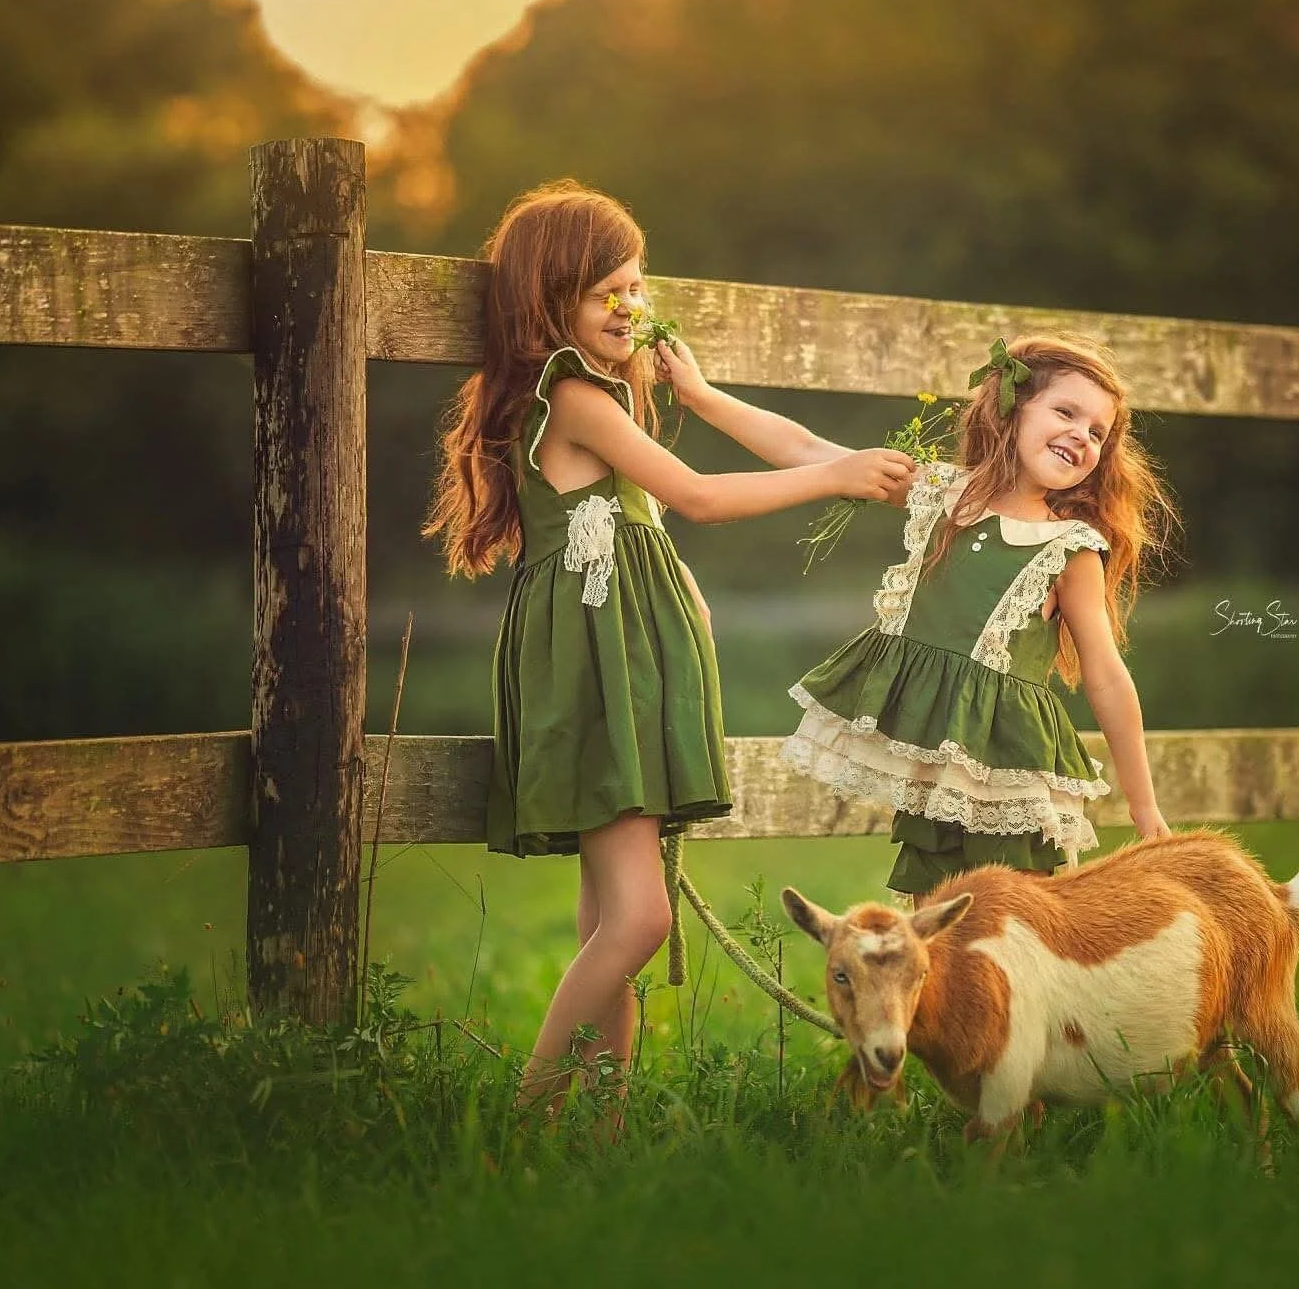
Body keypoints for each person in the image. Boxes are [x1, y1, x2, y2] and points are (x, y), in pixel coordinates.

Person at [423, 180, 914, 1110]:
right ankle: (527, 1116)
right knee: (639, 920)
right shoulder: (571, 397)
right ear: (548, 296)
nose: (629, 307)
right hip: (594, 674)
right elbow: (696, 497)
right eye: (606, 289)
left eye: (637, 287)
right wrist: (836, 478)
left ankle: (598, 1131)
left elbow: (683, 500)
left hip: (630, 668)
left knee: (610, 918)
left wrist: (712, 405)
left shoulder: (602, 397)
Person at [766, 332, 1182, 895]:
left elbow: (1106, 675)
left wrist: (1144, 807)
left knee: (1010, 940)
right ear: (1012, 408)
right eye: (1066, 412)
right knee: (934, 942)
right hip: (934, 767)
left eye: (1097, 433)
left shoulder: (1070, 548)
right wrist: (698, 394)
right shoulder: (943, 496)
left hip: (1009, 772)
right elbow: (809, 451)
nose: (1081, 437)